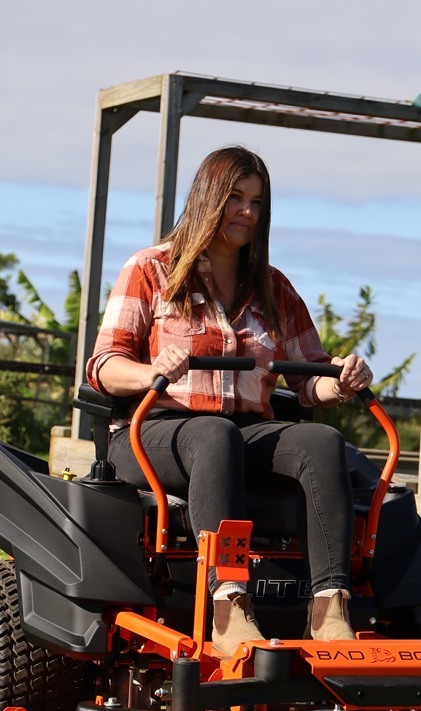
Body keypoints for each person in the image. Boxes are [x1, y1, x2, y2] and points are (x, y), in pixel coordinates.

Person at [86, 145, 373, 655]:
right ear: (208, 197)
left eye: (257, 202)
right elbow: (104, 365)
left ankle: (330, 607)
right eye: (236, 197)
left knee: (322, 441)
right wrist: (153, 371)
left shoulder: (274, 289)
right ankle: (229, 604)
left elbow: (310, 381)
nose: (247, 211)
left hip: (243, 432)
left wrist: (343, 380)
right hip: (153, 431)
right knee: (215, 435)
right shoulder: (151, 269)